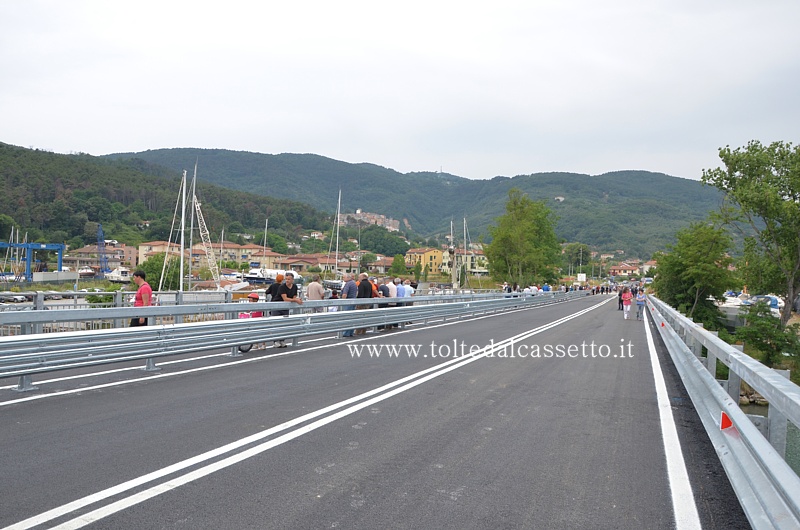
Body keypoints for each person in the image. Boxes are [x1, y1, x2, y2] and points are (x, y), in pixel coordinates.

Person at [273, 272, 303, 347]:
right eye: (286, 279)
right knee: (276, 324)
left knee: (284, 324)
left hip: (285, 307)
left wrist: (297, 299)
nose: (287, 280)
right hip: (277, 306)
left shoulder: (295, 287)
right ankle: (276, 341)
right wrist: (296, 300)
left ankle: (282, 340)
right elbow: (285, 298)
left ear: (292, 280)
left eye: (289, 279)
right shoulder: (282, 287)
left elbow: (294, 297)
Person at [340, 273, 358, 337]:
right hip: (353, 301)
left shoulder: (347, 284)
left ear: (348, 278)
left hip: (348, 302)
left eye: (344, 277)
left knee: (346, 317)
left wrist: (342, 301)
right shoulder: (354, 283)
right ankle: (350, 332)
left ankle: (346, 333)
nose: (343, 279)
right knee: (352, 317)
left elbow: (344, 294)